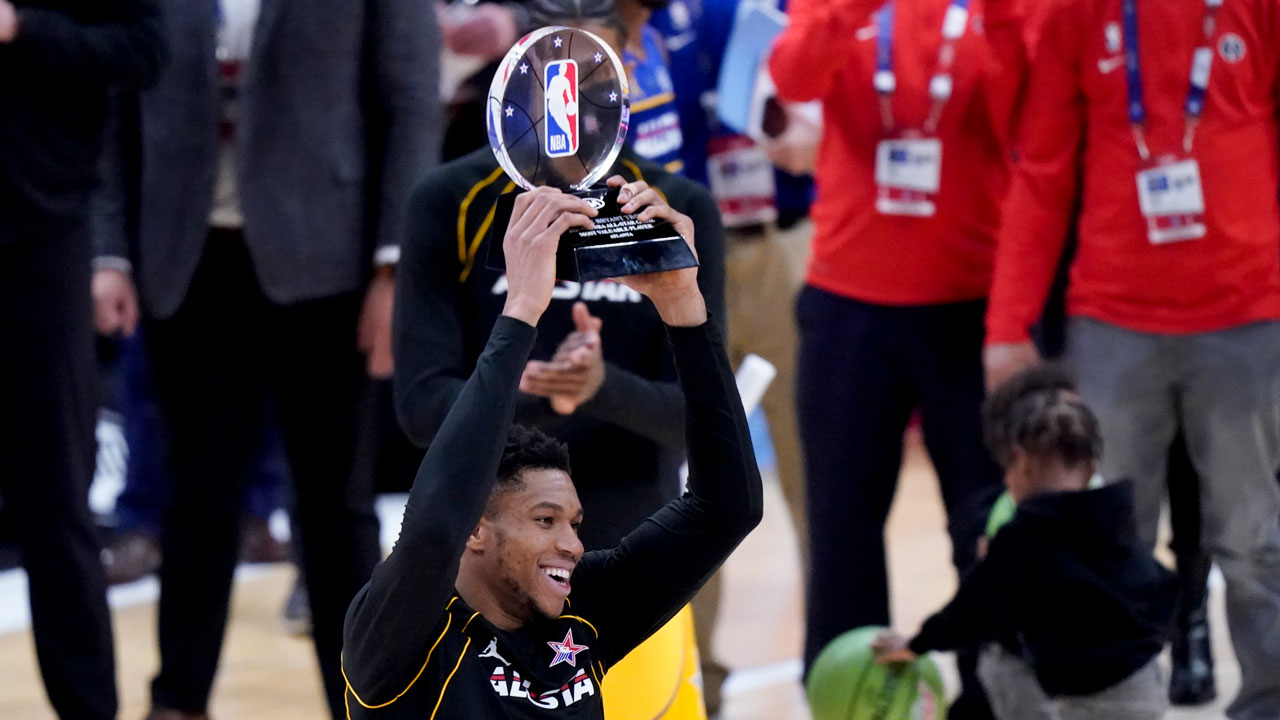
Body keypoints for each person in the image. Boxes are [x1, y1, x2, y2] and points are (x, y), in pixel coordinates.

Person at [89, 0, 440, 716]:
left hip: (330, 269)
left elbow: (409, 97)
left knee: (336, 512)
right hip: (188, 261)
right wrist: (111, 253)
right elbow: (116, 95)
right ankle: (178, 701)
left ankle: (365, 704)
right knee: (194, 503)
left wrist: (394, 266)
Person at [343, 182, 762, 719]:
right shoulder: (400, 634)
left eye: (573, 523)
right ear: (475, 528)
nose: (573, 544)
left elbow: (728, 509)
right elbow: (434, 528)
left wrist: (683, 306)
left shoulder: (586, 608)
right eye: (545, 520)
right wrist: (522, 309)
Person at [982, 0, 1280, 715]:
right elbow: (1042, 168)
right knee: (1105, 538)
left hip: (1247, 312)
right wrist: (1008, 323)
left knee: (1254, 539)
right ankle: (1117, 707)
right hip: (1112, 320)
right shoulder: (1074, 14)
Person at [770, 0, 1025, 715]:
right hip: (848, 307)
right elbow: (791, 75)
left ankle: (995, 698)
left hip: (970, 306)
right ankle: (849, 700)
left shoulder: (995, 14)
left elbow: (1025, 119)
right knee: (841, 530)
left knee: (984, 524)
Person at [0, 2, 164, 718]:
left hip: (40, 230)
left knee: (54, 495)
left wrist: (22, 28)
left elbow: (143, 51)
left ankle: (88, 708)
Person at [874, 364, 1176, 720]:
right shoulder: (1115, 514)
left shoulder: (1023, 535)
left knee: (999, 663)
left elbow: (972, 611)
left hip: (1081, 701)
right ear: (1093, 464)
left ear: (1020, 461)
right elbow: (1161, 584)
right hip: (1143, 687)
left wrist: (917, 644)